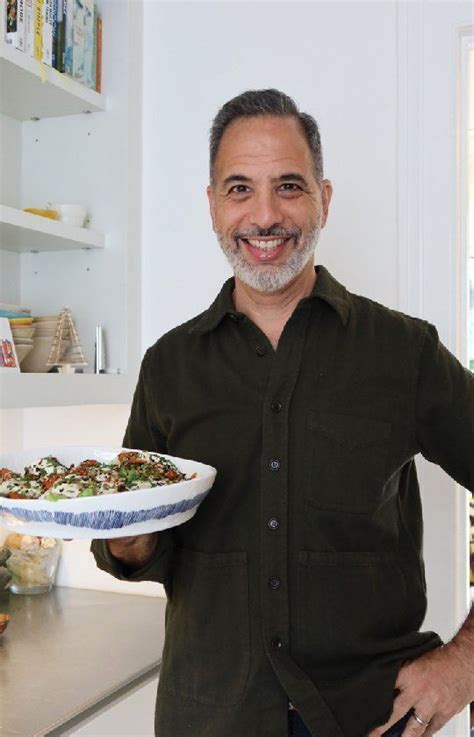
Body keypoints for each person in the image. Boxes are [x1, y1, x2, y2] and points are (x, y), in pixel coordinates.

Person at [90, 89, 474, 737]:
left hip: (370, 718)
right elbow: (133, 549)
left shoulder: (405, 353)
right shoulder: (168, 366)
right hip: (208, 718)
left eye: (288, 186)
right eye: (239, 188)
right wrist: (125, 530)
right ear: (212, 205)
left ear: (324, 198)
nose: (264, 215)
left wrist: (464, 662)